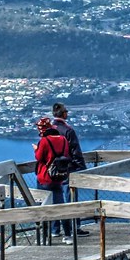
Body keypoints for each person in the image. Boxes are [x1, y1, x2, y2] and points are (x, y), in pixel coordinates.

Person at [52, 101, 90, 237]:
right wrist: (82, 169)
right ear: (64, 113)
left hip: (52, 170)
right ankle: (75, 227)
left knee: (55, 199)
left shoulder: (49, 129)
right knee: (71, 199)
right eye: (66, 111)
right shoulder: (68, 131)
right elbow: (75, 151)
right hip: (68, 169)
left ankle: (55, 229)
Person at [33, 116, 73, 243]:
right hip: (58, 176)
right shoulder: (64, 140)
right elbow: (65, 155)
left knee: (44, 207)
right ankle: (67, 235)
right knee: (60, 205)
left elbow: (39, 157)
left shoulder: (44, 141)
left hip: (45, 176)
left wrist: (36, 149)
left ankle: (46, 235)